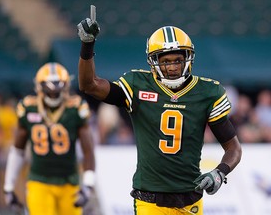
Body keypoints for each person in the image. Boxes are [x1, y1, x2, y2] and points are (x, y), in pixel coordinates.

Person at [77, 16, 242, 215]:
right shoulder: (138, 85)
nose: (172, 67)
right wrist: (87, 45)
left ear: (188, 59)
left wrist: (220, 172)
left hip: (191, 198)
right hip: (150, 201)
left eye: (178, 61)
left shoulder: (207, 92)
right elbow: (89, 85)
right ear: (153, 62)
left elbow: (233, 147)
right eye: (166, 62)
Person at [3, 62, 95, 215]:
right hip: (39, 181)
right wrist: (8, 187)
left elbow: (88, 150)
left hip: (69, 183)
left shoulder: (75, 108)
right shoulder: (28, 108)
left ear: (65, 87)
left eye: (57, 91)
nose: (53, 94)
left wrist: (88, 184)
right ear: (39, 88)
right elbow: (17, 150)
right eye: (49, 91)